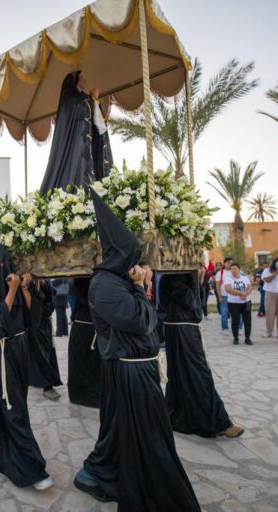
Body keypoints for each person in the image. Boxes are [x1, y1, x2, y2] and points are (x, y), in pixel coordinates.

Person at [73, 190, 200, 511]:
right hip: (128, 371)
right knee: (148, 436)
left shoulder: (118, 282)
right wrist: (143, 287)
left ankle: (97, 473)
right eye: (132, 255)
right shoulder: (104, 284)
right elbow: (141, 322)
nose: (138, 262)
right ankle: (133, 483)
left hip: (135, 368)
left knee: (123, 432)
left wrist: (136, 287)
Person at [0, 221, 53, 492]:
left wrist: (25, 289)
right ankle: (31, 469)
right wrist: (10, 290)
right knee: (14, 410)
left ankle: (7, 453)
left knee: (15, 408)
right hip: (0, 353)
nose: (4, 269)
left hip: (19, 350)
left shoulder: (16, 285)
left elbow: (32, 316)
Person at [158, 272, 244, 438]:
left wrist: (198, 278)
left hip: (182, 330)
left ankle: (185, 415)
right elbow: (193, 303)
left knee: (185, 374)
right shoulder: (175, 278)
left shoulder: (180, 277)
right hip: (182, 331)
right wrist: (195, 278)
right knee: (199, 374)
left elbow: (199, 302)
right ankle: (220, 423)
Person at [39, 70, 112, 195]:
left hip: (83, 140)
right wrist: (93, 98)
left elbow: (91, 115)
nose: (85, 80)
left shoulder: (81, 97)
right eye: (82, 77)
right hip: (75, 142)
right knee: (77, 168)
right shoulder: (70, 97)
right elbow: (83, 108)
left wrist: (92, 100)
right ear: (75, 80)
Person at [67, 277, 101, 408]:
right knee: (82, 362)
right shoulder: (81, 280)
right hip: (83, 324)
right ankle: (81, 395)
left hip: (91, 325)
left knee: (93, 363)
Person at [26, 279, 63, 400]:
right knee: (40, 353)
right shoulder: (25, 283)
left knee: (46, 351)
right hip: (33, 324)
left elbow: (51, 294)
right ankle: (47, 385)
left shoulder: (42, 281)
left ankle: (47, 382)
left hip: (44, 323)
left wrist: (43, 283)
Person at [224, 263, 254, 346]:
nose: (234, 270)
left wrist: (246, 294)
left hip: (246, 302)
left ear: (239, 269)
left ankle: (247, 338)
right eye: (232, 269)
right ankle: (235, 338)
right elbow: (228, 289)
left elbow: (250, 287)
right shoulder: (228, 278)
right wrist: (241, 293)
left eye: (235, 268)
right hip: (234, 303)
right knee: (235, 320)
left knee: (247, 321)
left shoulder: (245, 278)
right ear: (230, 270)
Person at [261, 257, 278, 339]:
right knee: (269, 313)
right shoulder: (267, 270)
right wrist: (276, 272)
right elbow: (266, 279)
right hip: (270, 293)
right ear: (275, 263)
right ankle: (268, 331)